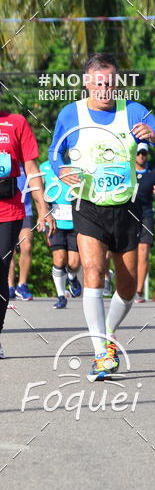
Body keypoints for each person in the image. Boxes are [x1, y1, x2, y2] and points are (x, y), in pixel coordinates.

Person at [48, 53, 155, 380]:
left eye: (111, 83)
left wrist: (154, 136)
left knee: (128, 284)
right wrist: (62, 171)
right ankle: (100, 351)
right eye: (100, 83)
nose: (106, 89)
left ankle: (108, 331)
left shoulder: (133, 111)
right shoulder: (71, 113)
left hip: (127, 208)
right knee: (93, 269)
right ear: (88, 82)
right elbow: (55, 154)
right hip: (88, 205)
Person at [0, 110, 55, 357]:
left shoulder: (16, 122)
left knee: (1, 269)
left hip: (9, 211)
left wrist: (43, 207)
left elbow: (31, 168)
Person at [39, 158, 81, 308]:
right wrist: (42, 214)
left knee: (74, 263)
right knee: (59, 259)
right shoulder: (44, 167)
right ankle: (61, 296)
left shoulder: (79, 165)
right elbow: (38, 194)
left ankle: (72, 276)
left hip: (76, 220)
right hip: (55, 221)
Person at [133, 142, 155, 303]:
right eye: (139, 153)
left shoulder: (154, 172)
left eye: (144, 153)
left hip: (146, 215)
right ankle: (123, 287)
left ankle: (138, 291)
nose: (141, 156)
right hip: (127, 215)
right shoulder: (126, 170)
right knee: (125, 252)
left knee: (144, 250)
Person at [8, 169, 34, 301]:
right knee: (8, 250)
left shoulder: (27, 167)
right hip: (7, 212)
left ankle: (22, 285)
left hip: (25, 212)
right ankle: (9, 286)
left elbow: (38, 189)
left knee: (27, 245)